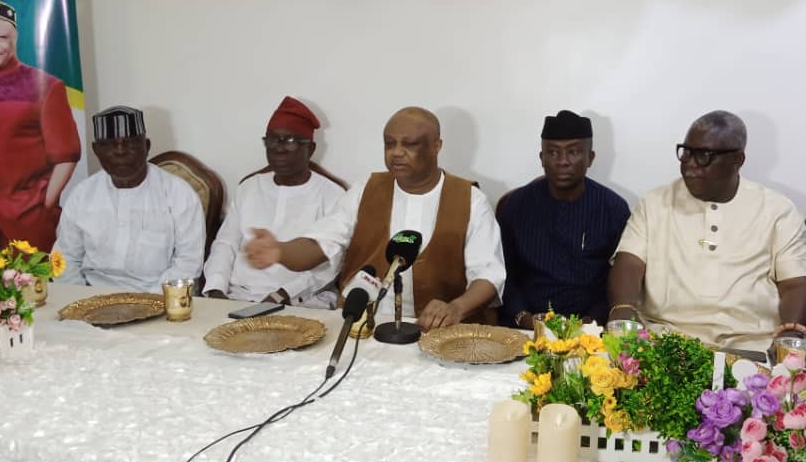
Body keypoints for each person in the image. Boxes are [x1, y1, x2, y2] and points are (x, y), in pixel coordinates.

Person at [244, 106, 504, 330]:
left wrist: (456, 308)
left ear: (437, 146)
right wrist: (280, 251)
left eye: (409, 144)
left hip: (440, 331)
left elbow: (488, 274)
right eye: (389, 144)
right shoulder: (366, 190)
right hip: (365, 326)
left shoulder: (469, 199)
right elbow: (320, 244)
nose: (397, 152)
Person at [607, 110, 806, 352]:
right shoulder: (655, 202)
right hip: (665, 341)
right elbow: (629, 262)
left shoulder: (777, 210)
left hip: (752, 345)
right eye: (686, 152)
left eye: (703, 156)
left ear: (737, 160)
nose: (689, 164)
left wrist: (790, 332)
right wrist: (623, 308)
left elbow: (797, 283)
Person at [0, 0, 81, 253]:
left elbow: (67, 156)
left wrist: (44, 205)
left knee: (36, 282)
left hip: (30, 229)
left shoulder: (47, 86)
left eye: (0, 37)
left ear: (15, 38)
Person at [203, 97, 345, 307]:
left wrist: (282, 295)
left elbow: (329, 263)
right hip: (237, 296)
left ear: (311, 148)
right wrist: (216, 289)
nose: (279, 148)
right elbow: (225, 244)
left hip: (300, 301)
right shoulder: (249, 188)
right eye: (272, 140)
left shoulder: (332, 195)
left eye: (290, 141)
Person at [498, 110, 629, 328]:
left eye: (573, 152)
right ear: (542, 158)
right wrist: (524, 318)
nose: (562, 162)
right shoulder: (515, 205)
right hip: (526, 326)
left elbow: (617, 280)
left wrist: (590, 322)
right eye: (553, 152)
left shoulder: (613, 209)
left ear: (590, 158)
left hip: (591, 329)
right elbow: (503, 273)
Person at [54, 106, 204, 293]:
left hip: (156, 298)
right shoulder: (82, 195)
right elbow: (64, 257)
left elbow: (188, 264)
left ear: (146, 146)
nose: (120, 151)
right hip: (90, 295)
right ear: (96, 150)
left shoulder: (179, 194)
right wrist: (80, 297)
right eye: (110, 145)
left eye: (130, 143)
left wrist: (145, 303)